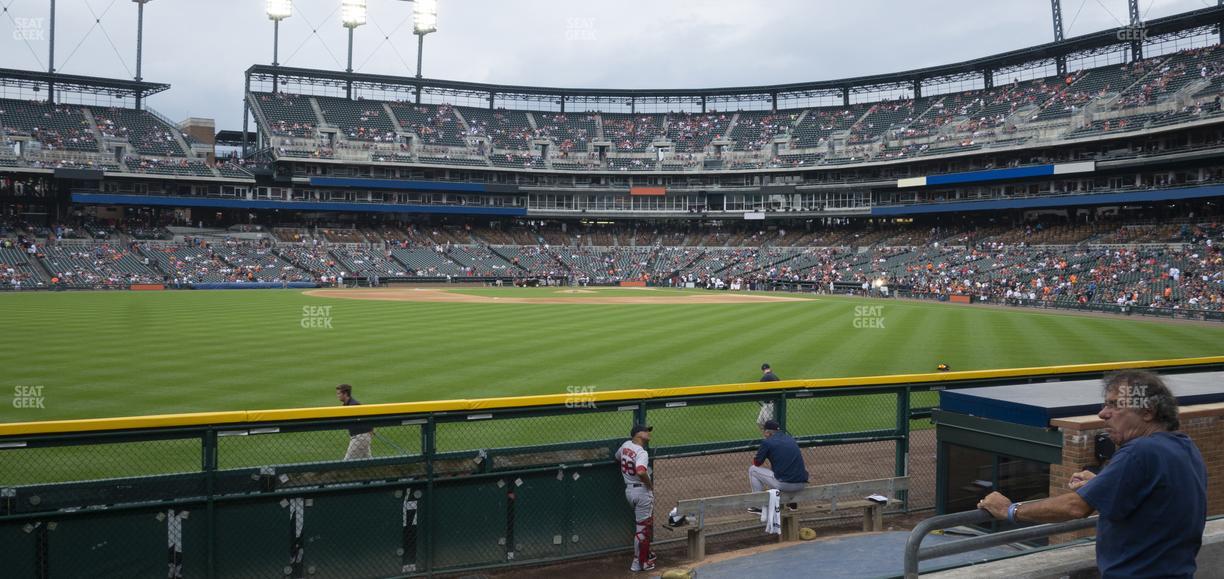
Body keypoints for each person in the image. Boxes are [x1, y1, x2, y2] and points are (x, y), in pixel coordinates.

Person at [980, 370, 1206, 578]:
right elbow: (1155, 500)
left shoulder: (1140, 451)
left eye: (1115, 405)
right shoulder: (1184, 446)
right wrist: (1101, 484)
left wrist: (1009, 510)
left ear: (1147, 412)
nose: (1102, 414)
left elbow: (1075, 507)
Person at [748, 420, 809, 513]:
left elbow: (757, 463)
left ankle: (758, 507)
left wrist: (757, 455)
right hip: (801, 484)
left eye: (764, 431)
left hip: (785, 485)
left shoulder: (767, 442)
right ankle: (793, 504)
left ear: (768, 432)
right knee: (784, 469)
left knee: (753, 470)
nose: (763, 434)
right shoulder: (790, 439)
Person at [618, 424, 656, 573]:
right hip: (642, 492)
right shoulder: (642, 453)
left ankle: (644, 556)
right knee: (642, 530)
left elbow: (617, 457)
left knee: (642, 527)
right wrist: (650, 484)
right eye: (646, 431)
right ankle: (640, 563)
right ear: (638, 434)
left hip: (629, 491)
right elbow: (641, 471)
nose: (648, 433)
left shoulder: (625, 446)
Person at [336, 384, 373, 460]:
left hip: (360, 437)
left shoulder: (354, 405)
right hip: (361, 436)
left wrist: (369, 429)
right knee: (368, 461)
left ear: (345, 394)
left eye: (339, 393)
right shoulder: (347, 405)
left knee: (347, 461)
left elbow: (366, 417)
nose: (337, 395)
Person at [757, 363, 779, 430]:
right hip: (770, 404)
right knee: (759, 422)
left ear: (763, 370)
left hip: (769, 405)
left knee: (767, 424)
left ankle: (771, 438)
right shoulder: (775, 377)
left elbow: (758, 390)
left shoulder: (764, 377)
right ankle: (767, 437)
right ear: (770, 369)